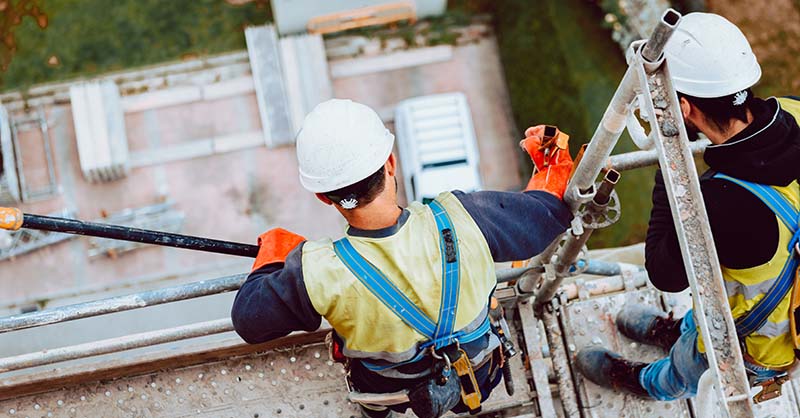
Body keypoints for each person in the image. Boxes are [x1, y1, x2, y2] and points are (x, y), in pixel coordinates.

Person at [231, 98, 574, 417]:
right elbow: (545, 216)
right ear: (391, 163)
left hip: (386, 388)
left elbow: (250, 319)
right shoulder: (466, 218)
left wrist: (277, 255)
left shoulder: (318, 271)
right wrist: (551, 168)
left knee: (374, 394)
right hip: (478, 375)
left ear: (323, 197)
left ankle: (374, 411)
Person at [576, 12, 800, 401]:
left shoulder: (724, 203)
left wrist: (672, 167)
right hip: (775, 302)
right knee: (700, 321)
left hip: (755, 344)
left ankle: (648, 383)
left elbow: (665, 274)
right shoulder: (793, 108)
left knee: (686, 364)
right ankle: (675, 330)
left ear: (683, 108)